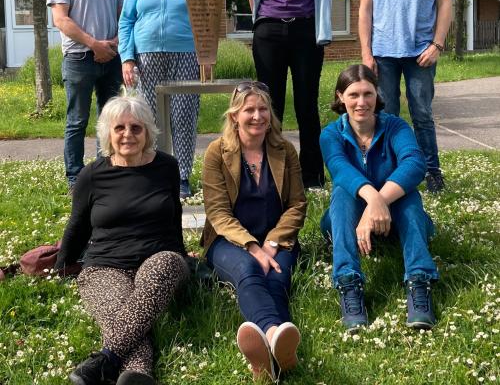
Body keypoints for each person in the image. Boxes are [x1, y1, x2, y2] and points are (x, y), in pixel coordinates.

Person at [55, 95, 189, 385]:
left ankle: (104, 359)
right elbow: (77, 224)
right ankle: (137, 374)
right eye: (120, 128)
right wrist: (62, 264)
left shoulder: (166, 167)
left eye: (136, 128)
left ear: (148, 132)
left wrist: (183, 256)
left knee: (161, 270)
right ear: (108, 133)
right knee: (127, 313)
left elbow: (174, 216)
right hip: (104, 266)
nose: (127, 134)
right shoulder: (92, 174)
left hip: (159, 258)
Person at [320, 65, 439, 332]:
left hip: (395, 218)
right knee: (341, 193)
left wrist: (378, 202)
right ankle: (349, 283)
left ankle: (419, 281)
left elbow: (414, 163)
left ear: (377, 95)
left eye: (368, 94)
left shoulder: (396, 126)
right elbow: (339, 168)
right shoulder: (330, 134)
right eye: (353, 95)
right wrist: (371, 199)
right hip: (346, 219)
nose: (361, 102)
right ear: (341, 97)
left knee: (409, 197)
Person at [201, 82, 307, 381]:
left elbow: (297, 204)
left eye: (263, 109)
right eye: (249, 110)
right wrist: (252, 246)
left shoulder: (284, 150)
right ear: (235, 115)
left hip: (278, 239)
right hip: (229, 242)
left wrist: (272, 242)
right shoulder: (216, 153)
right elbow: (218, 213)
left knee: (275, 279)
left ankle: (268, 359)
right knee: (249, 269)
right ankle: (276, 335)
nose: (258, 116)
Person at [356, 0, 454, 193]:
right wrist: (366, 53)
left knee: (422, 113)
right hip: (383, 53)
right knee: (386, 116)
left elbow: (445, 2)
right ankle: (390, 172)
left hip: (421, 50)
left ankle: (432, 172)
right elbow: (365, 9)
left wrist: (437, 44)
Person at [248, 0, 332, 190]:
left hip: (305, 33)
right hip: (269, 33)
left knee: (306, 104)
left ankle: (312, 176)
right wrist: (262, 24)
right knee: (271, 105)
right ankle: (272, 173)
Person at [118, 0, 200, 199]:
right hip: (147, 56)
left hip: (186, 54)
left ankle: (182, 175)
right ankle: (151, 171)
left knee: (183, 116)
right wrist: (127, 58)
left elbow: (205, 15)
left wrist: (206, 55)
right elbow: (126, 20)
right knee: (149, 118)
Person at [47, 0, 124, 190]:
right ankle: (76, 179)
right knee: (77, 121)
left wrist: (113, 44)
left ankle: (105, 172)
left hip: (111, 58)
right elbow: (61, 19)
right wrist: (94, 44)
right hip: (79, 58)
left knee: (111, 119)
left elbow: (123, 17)